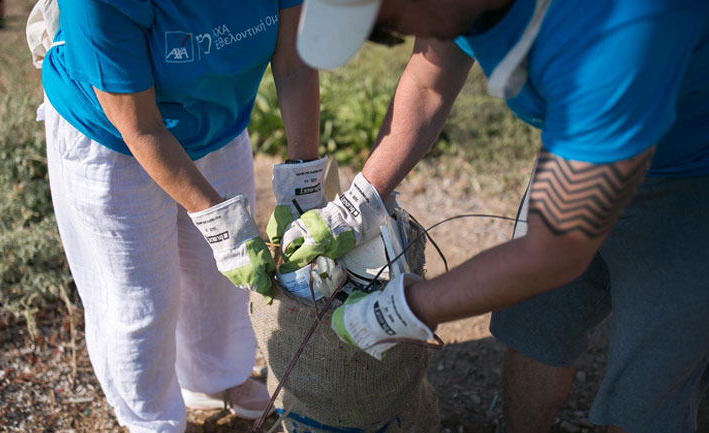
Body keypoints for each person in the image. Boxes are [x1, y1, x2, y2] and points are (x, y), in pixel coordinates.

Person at [275, 1, 709, 432]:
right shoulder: (452, 11)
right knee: (536, 323)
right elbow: (428, 85)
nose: (396, 38)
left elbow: (555, 250)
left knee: (646, 394)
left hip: (691, 180)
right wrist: (361, 201)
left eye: (388, 24)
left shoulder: (614, 29)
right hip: (581, 151)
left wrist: (406, 307)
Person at [38, 1, 323, 432]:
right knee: (142, 299)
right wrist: (223, 227)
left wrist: (303, 187)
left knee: (220, 279)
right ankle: (151, 418)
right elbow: (141, 126)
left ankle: (216, 379)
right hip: (112, 136)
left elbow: (294, 64)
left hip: (216, 123)